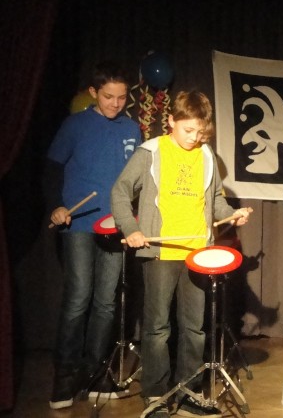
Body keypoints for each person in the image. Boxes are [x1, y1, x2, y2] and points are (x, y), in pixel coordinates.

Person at [111, 91, 252, 418]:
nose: (194, 138)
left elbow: (215, 200)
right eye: (188, 130)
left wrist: (231, 214)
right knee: (157, 328)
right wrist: (130, 228)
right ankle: (156, 395)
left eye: (200, 132)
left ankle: (189, 393)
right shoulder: (151, 152)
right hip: (160, 251)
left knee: (194, 328)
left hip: (197, 252)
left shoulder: (207, 156)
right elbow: (120, 191)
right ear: (171, 120)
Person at [46, 62, 141, 409]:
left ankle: (97, 373)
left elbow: (136, 178)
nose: (115, 103)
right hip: (80, 225)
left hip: (115, 226)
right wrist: (57, 205)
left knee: (105, 303)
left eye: (121, 97)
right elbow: (52, 168)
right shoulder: (75, 125)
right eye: (108, 96)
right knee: (78, 298)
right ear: (93, 93)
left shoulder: (131, 128)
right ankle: (65, 377)